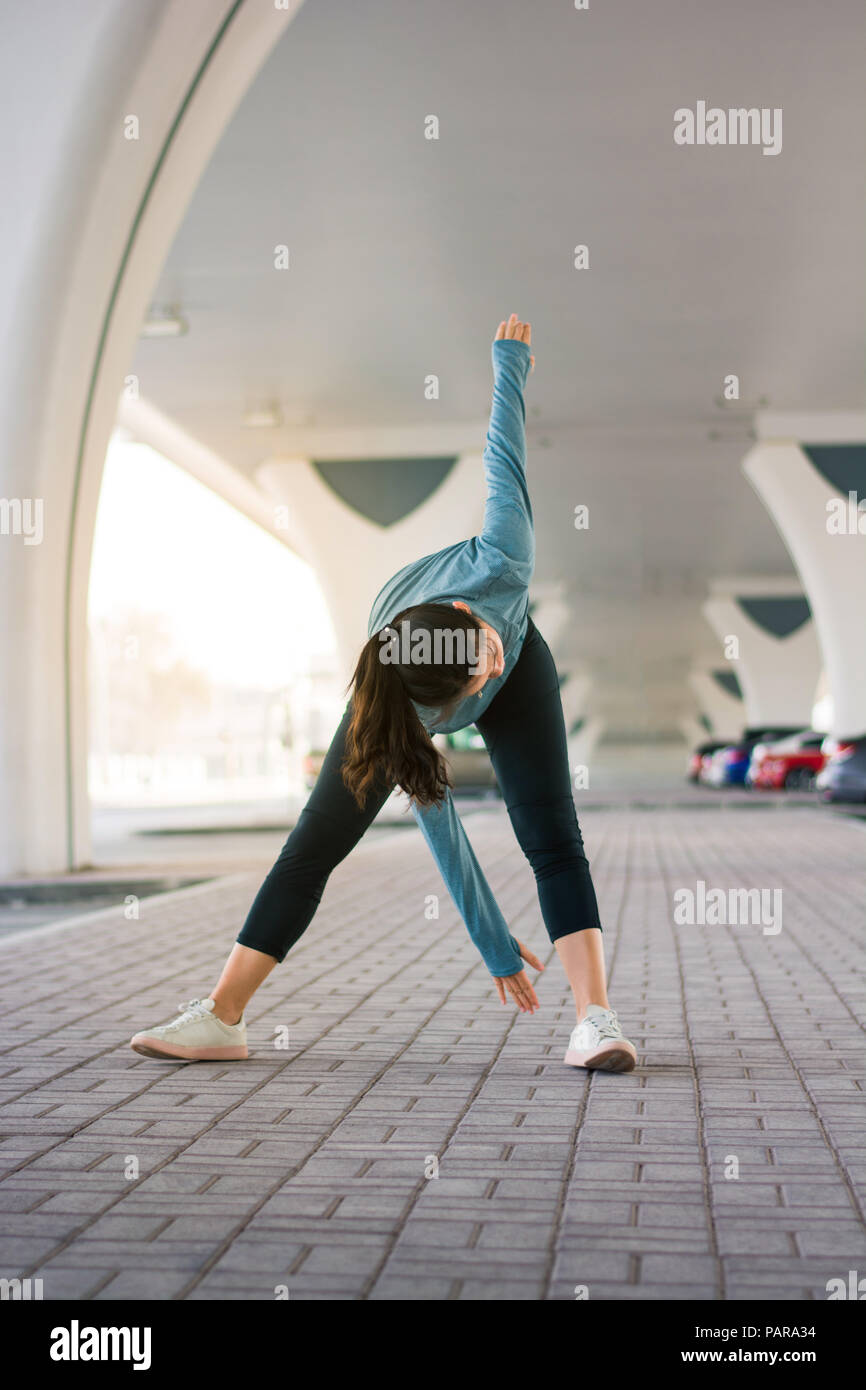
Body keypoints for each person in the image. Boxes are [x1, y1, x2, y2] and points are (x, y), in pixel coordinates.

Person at [130, 315, 637, 1074]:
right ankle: (222, 1016)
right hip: (401, 685)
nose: (484, 679)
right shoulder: (394, 699)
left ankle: (596, 1020)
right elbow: (439, 821)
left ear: (469, 617)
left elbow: (504, 458)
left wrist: (510, 364)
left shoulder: (504, 557)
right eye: (474, 685)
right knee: (313, 846)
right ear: (433, 707)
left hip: (533, 659)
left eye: (481, 661)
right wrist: (493, 944)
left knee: (554, 840)